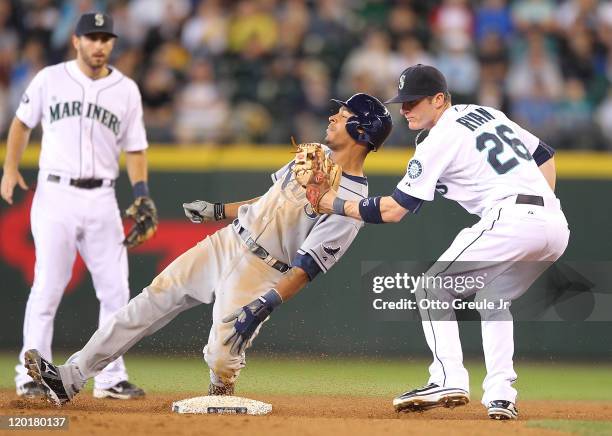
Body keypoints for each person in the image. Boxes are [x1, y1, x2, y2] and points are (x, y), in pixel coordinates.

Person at [22, 93, 393, 406]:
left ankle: (222, 390)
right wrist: (218, 211)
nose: (332, 116)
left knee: (220, 354)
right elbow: (265, 201)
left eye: (342, 115)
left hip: (264, 270)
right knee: (150, 300)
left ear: (360, 131)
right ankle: (69, 378)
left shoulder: (352, 205)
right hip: (228, 240)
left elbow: (306, 268)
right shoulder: (313, 158)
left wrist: (267, 303)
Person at [309, 64, 570, 420]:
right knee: (494, 298)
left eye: (413, 102)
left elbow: (394, 210)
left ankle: (447, 377)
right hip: (554, 226)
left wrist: (333, 204)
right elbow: (545, 154)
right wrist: (540, 208)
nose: (405, 110)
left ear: (439, 99)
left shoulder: (440, 138)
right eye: (402, 103)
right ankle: (501, 395)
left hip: (510, 218)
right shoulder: (485, 113)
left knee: (432, 288)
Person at [1, 12, 155, 400]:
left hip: (103, 196)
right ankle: (30, 374)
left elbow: (135, 147)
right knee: (48, 286)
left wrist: (141, 192)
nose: (99, 45)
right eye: (92, 37)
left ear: (113, 44)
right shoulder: (50, 79)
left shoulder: (126, 89)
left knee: (117, 292)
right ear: (76, 41)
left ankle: (110, 377)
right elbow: (21, 123)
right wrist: (9, 169)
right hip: (56, 195)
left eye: (106, 38)